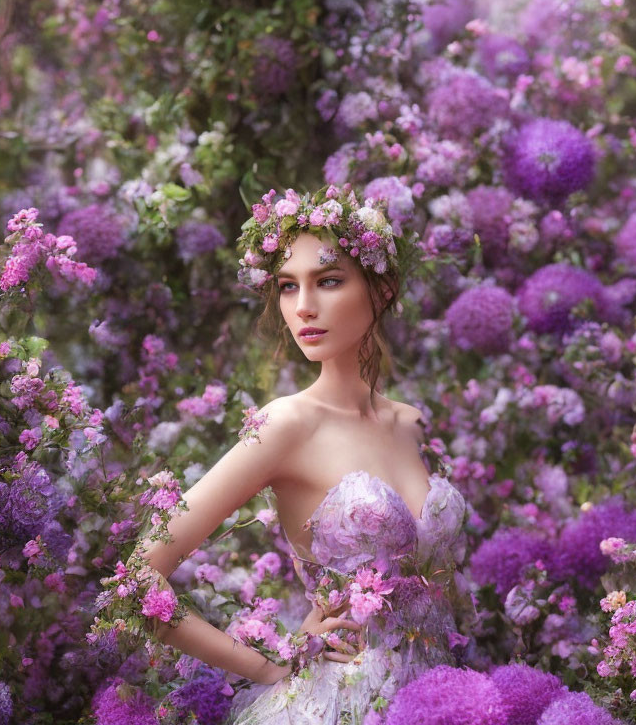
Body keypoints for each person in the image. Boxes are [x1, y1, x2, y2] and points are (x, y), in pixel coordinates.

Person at [129, 186, 473, 724]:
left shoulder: (410, 422)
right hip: (341, 703)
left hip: (442, 698)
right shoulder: (287, 424)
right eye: (288, 287)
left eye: (328, 280)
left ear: (381, 289)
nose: (303, 306)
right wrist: (269, 667)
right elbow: (137, 580)